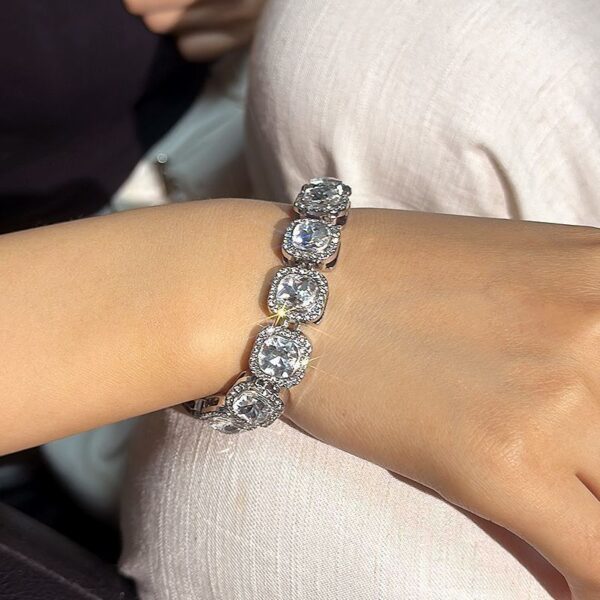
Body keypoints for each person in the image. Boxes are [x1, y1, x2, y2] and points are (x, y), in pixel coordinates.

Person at [2, 2, 600, 600]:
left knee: (365, 29)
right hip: (95, 348)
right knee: (272, 513)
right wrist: (219, 286)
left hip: (231, 105)